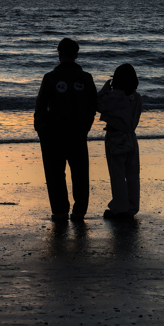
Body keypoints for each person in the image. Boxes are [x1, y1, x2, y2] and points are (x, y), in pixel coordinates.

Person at [34, 37, 98, 222]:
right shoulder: (86, 78)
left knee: (55, 174)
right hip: (78, 131)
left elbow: (40, 107)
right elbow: (93, 106)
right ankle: (79, 211)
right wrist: (86, 126)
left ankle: (60, 211)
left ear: (59, 54)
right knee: (80, 172)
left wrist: (41, 127)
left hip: (53, 132)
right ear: (76, 55)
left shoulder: (50, 78)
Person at [98, 63, 143, 220]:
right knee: (132, 174)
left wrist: (105, 89)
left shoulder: (113, 98)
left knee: (117, 174)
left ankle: (120, 208)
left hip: (115, 137)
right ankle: (132, 206)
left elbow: (97, 104)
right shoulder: (137, 97)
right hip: (131, 136)